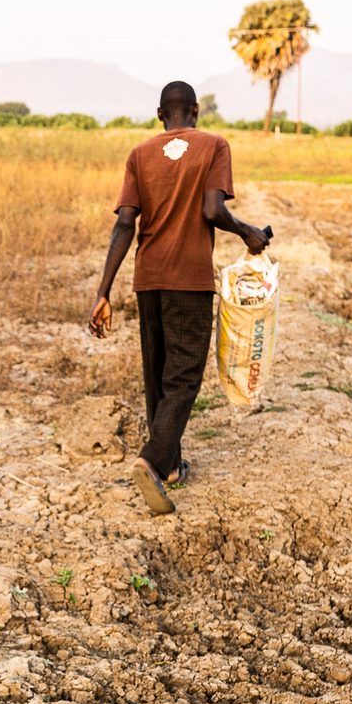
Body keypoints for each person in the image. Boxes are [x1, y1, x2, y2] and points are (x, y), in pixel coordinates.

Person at [89, 81, 270, 515]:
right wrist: (248, 231)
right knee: (184, 376)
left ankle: (169, 467)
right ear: (194, 111)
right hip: (189, 278)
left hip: (147, 276)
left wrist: (103, 291)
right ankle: (151, 462)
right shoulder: (214, 145)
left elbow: (124, 226)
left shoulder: (139, 154)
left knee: (158, 372)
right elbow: (212, 210)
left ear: (159, 115)